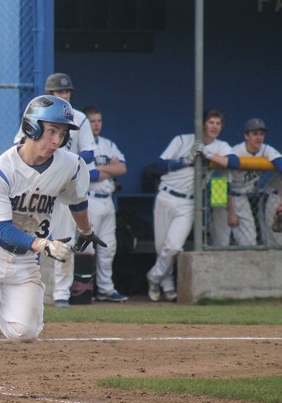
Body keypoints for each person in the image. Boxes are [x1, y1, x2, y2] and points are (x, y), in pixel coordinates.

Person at [0, 95, 106, 398]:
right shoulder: (2, 169)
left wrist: (86, 230)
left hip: (25, 260)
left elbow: (77, 200)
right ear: (30, 127)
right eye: (51, 131)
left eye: (63, 134)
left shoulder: (71, 165)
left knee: (26, 331)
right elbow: (2, 228)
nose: (57, 140)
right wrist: (43, 244)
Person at [14, 73, 96, 308]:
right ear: (49, 95)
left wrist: (66, 163)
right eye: (59, 92)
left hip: (64, 184)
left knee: (64, 240)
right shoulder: (37, 115)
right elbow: (20, 144)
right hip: (38, 186)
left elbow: (89, 152)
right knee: (28, 235)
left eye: (67, 91)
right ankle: (21, 290)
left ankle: (61, 292)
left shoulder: (78, 118)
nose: (64, 95)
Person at [147, 109, 239, 302]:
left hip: (188, 202)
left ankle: (153, 277)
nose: (214, 127)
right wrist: (185, 161)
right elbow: (159, 164)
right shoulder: (182, 140)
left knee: (173, 246)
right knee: (161, 247)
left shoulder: (221, 146)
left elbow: (233, 162)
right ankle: (167, 286)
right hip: (166, 195)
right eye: (211, 122)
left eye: (218, 123)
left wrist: (207, 154)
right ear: (203, 124)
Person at [210, 118, 282, 246]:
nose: (259, 138)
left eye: (261, 134)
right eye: (255, 134)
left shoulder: (266, 150)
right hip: (220, 192)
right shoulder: (236, 151)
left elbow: (280, 165)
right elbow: (223, 184)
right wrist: (231, 213)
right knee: (221, 242)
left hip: (242, 195)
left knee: (249, 242)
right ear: (246, 136)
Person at [82, 106, 128, 302]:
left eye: (99, 121)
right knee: (87, 248)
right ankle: (84, 289)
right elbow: (90, 175)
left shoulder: (109, 144)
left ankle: (106, 289)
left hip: (108, 201)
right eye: (92, 121)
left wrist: (103, 169)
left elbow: (123, 168)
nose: (97, 124)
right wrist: (111, 169)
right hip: (90, 199)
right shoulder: (82, 145)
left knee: (108, 247)